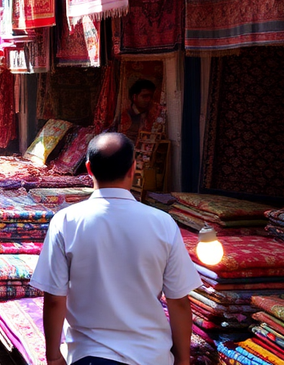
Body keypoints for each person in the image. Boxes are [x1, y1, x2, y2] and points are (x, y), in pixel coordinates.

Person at [29, 133, 199, 365]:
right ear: (133, 169)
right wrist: (182, 360)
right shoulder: (163, 223)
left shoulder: (66, 221)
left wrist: (54, 356)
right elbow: (178, 300)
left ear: (88, 168)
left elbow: (55, 298)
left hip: (89, 356)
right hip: (151, 356)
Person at [113, 79, 160, 143]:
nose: (148, 100)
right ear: (134, 97)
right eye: (145, 96)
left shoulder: (153, 115)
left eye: (150, 97)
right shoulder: (123, 116)